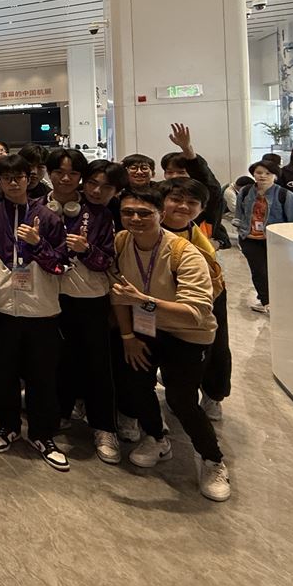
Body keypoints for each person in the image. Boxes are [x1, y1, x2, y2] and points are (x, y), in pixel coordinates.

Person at [110, 186, 230, 502]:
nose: (135, 219)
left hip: (187, 334)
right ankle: (157, 438)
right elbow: (118, 296)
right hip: (146, 329)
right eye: (127, 212)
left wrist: (144, 301)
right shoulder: (121, 242)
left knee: (180, 399)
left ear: (161, 214)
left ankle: (212, 460)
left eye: (144, 213)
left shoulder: (185, 253)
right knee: (136, 384)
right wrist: (128, 337)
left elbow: (197, 311)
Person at [0, 154, 69, 471]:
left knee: (42, 374)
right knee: (2, 371)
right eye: (7, 178)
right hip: (0, 307)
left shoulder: (49, 218)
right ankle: (7, 426)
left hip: (41, 308)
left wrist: (38, 242)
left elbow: (62, 264)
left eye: (19, 176)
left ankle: (43, 434)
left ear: (29, 179)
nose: (13, 182)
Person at [45, 149, 119, 466]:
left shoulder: (100, 214)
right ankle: (60, 411)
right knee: (56, 359)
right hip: (49, 297)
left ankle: (104, 427)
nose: (65, 179)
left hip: (89, 297)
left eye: (73, 174)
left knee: (97, 364)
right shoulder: (38, 207)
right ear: (48, 173)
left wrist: (86, 249)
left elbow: (107, 260)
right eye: (59, 172)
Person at [159, 178, 231, 421]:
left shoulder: (197, 236)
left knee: (214, 349)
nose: (183, 206)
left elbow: (211, 276)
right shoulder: (147, 227)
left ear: (202, 208)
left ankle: (212, 394)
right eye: (176, 200)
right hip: (160, 300)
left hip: (204, 299)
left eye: (192, 202)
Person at [236, 160, 293, 314]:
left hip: (276, 241)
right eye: (259, 172)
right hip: (250, 238)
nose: (263, 176)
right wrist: (240, 228)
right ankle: (267, 302)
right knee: (258, 271)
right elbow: (239, 212)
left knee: (278, 271)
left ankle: (282, 299)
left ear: (275, 176)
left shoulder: (286, 195)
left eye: (268, 173)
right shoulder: (246, 191)